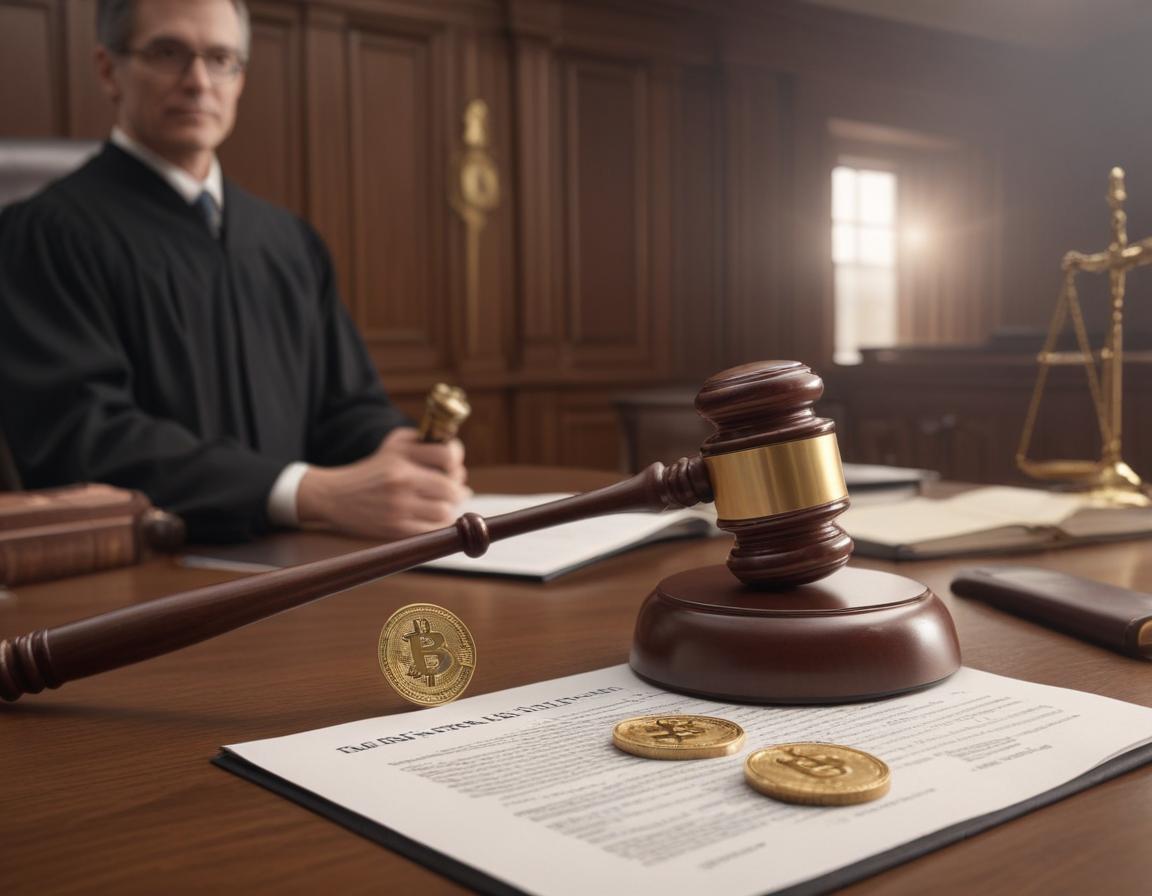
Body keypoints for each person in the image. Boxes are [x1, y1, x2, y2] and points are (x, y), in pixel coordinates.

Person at [0, 0, 468, 542]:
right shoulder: (46, 234)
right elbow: (81, 437)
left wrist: (392, 447)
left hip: (302, 567)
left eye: (221, 58)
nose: (198, 81)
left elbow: (344, 406)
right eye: (168, 52)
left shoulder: (289, 242)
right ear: (109, 69)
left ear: (240, 78)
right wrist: (303, 492)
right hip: (150, 580)